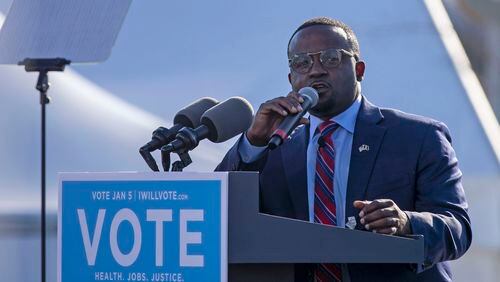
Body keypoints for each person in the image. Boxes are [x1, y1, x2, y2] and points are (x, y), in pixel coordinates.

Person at [216, 17, 471, 281]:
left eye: (330, 58)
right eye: (303, 62)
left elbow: (458, 229)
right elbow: (214, 212)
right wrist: (253, 143)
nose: (315, 70)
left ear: (359, 69)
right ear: (292, 79)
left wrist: (406, 222)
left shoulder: (418, 136)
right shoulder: (275, 145)